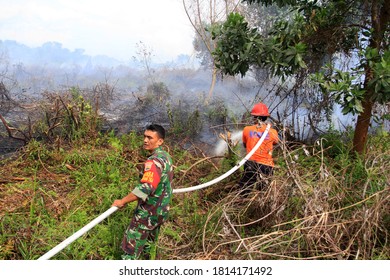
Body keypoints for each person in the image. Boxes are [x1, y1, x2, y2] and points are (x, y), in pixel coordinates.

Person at [112, 124, 173, 260]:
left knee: (130, 252)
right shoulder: (166, 157)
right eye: (144, 136)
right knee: (149, 248)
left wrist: (122, 201)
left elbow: (145, 188)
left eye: (150, 138)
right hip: (161, 212)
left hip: (147, 213)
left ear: (160, 141)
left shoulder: (153, 161)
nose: (145, 140)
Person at [239, 103, 279, 192]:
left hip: (251, 163)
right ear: (266, 117)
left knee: (245, 188)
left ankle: (240, 203)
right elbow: (276, 143)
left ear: (254, 117)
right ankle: (260, 205)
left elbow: (245, 145)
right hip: (267, 165)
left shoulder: (247, 129)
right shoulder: (273, 132)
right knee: (263, 191)